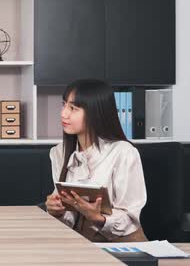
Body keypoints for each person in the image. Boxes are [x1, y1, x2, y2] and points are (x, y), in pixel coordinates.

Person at [45, 79, 148, 242]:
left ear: (96, 112)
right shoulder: (59, 152)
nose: (64, 113)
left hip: (120, 245)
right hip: (80, 244)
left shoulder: (124, 152)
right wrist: (58, 210)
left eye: (73, 108)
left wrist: (98, 218)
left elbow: (130, 218)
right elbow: (70, 219)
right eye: (64, 104)